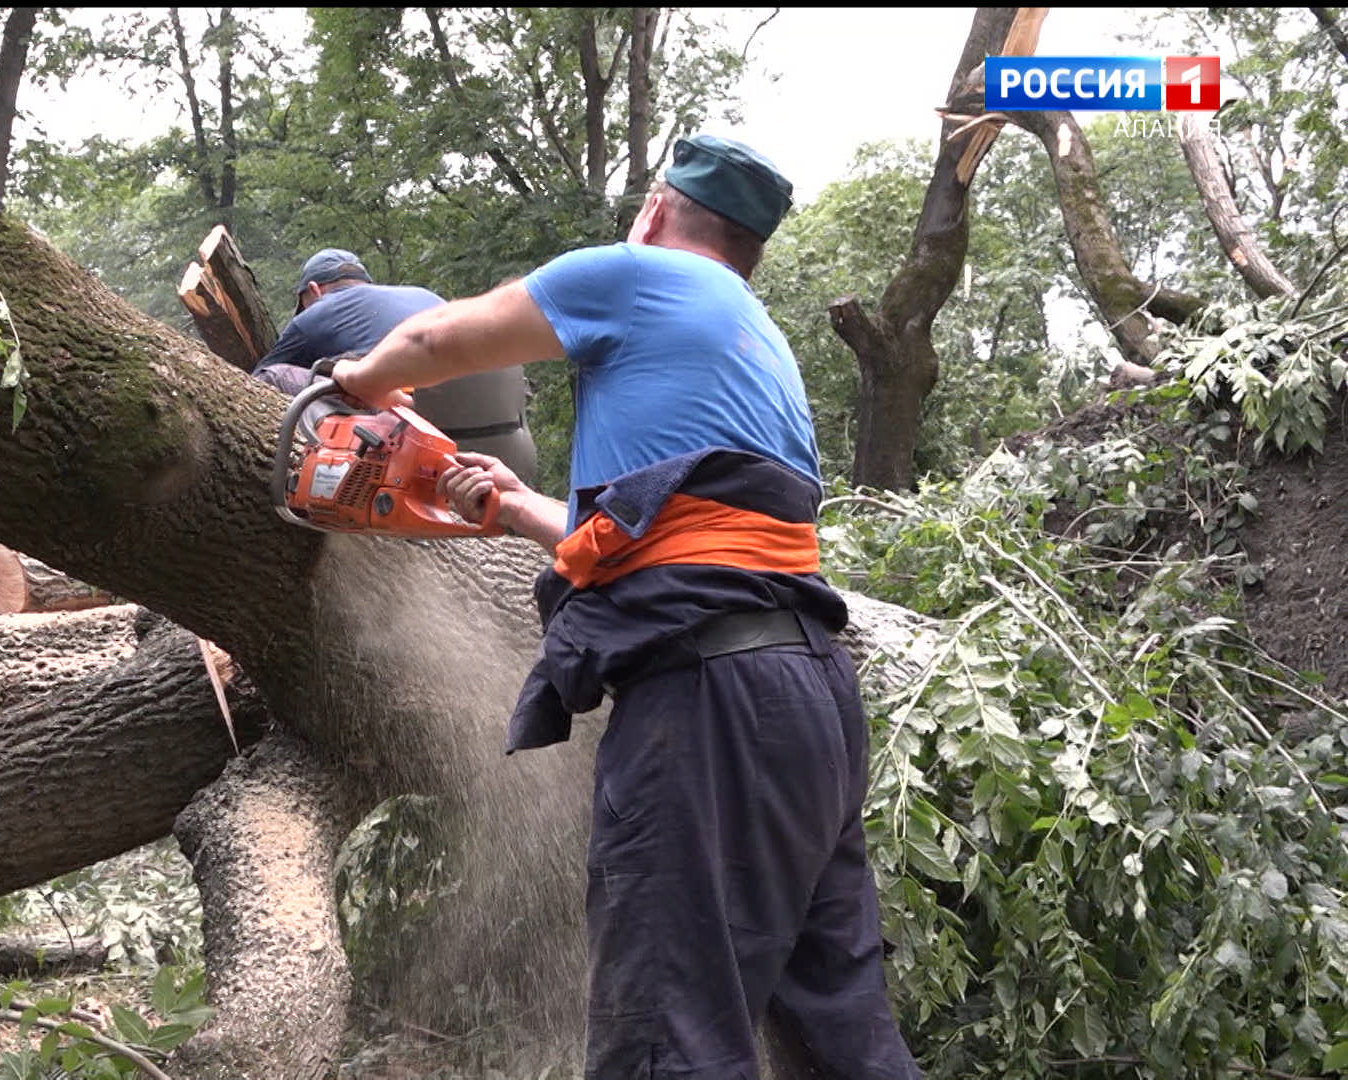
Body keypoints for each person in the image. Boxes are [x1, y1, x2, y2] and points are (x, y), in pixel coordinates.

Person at [330, 135, 920, 1079]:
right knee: (835, 1025)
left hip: (707, 700)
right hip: (811, 697)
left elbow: (437, 342)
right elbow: (685, 528)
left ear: (654, 210)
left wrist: (353, 385)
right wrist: (519, 506)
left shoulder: (637, 274)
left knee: (669, 1034)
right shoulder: (753, 341)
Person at [254, 248, 539, 483]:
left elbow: (251, 380)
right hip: (503, 447)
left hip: (417, 438)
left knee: (273, 377)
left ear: (314, 291)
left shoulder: (319, 310)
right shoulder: (423, 296)